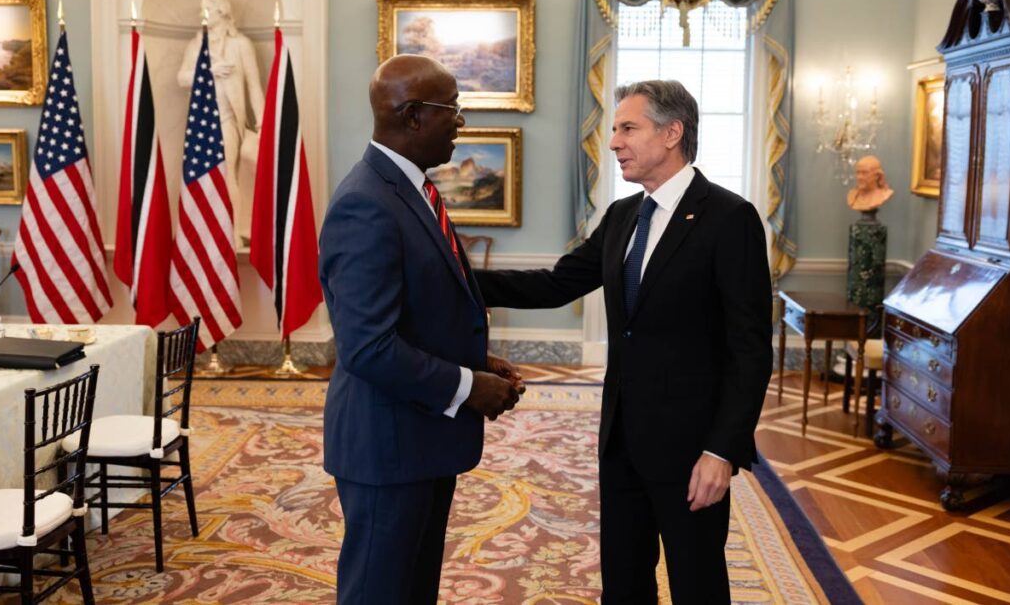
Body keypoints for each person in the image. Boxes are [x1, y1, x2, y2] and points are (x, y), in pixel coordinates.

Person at [474, 80, 773, 603]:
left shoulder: (729, 218)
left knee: (697, 584)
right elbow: (555, 284)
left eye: (627, 128)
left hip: (690, 448)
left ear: (672, 133)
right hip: (621, 442)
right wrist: (458, 274)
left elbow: (750, 349)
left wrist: (721, 451)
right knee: (625, 582)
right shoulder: (621, 217)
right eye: (615, 129)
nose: (613, 142)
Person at [319, 54, 523, 604]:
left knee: (412, 591)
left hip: (420, 437)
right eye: (451, 110)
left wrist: (477, 363)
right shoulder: (366, 203)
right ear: (413, 116)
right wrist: (467, 386)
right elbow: (368, 347)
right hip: (386, 447)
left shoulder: (410, 189)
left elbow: (422, 305)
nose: (461, 123)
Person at [178, 0, 265, 244]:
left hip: (228, 118)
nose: (202, 14)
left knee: (227, 174)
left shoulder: (240, 44)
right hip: (201, 122)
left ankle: (233, 232)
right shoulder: (197, 45)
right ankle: (203, 234)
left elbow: (254, 86)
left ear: (221, 12)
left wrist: (262, 122)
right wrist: (208, 71)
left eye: (207, 9)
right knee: (200, 176)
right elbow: (182, 78)